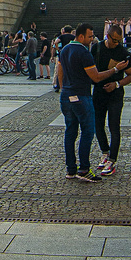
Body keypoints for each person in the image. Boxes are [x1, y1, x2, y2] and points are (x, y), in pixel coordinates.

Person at [56, 24, 102, 182]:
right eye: (90, 36)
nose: (92, 39)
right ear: (80, 36)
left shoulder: (65, 50)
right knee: (88, 131)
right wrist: (115, 70)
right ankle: (83, 169)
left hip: (66, 95)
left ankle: (70, 169)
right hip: (81, 96)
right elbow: (95, 77)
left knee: (70, 132)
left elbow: (59, 71)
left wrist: (64, 89)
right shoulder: (83, 52)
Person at [93, 24, 131, 177]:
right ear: (108, 36)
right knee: (98, 125)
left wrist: (117, 84)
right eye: (115, 40)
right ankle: (105, 151)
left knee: (113, 126)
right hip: (98, 92)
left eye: (120, 40)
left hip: (115, 93)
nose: (117, 43)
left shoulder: (123, 53)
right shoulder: (97, 48)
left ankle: (112, 159)